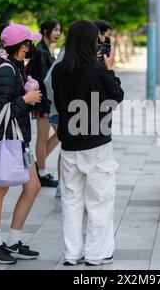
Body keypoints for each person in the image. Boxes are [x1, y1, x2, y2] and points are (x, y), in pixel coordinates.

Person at [52, 20, 124, 266]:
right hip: (97, 143)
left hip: (70, 145)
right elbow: (116, 96)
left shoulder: (60, 71)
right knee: (99, 200)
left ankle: (72, 253)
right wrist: (110, 70)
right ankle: (96, 253)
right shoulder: (97, 69)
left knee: (71, 202)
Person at [0, 24, 43, 265]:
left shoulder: (13, 67)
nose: (31, 48)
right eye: (29, 43)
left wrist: (27, 93)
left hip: (19, 140)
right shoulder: (5, 70)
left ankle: (13, 241)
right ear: (22, 45)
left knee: (33, 187)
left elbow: (10, 102)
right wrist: (26, 99)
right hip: (7, 140)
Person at [28, 20, 62, 188]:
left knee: (57, 134)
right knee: (43, 136)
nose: (58, 33)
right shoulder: (41, 51)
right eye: (55, 30)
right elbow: (44, 79)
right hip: (43, 101)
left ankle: (38, 166)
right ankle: (40, 172)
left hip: (46, 101)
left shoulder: (45, 50)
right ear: (46, 31)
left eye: (59, 30)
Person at [44, 47, 65, 199]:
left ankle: (62, 185)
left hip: (71, 112)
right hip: (61, 111)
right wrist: (60, 100)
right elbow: (48, 80)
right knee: (66, 148)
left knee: (66, 148)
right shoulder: (67, 54)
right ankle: (61, 185)